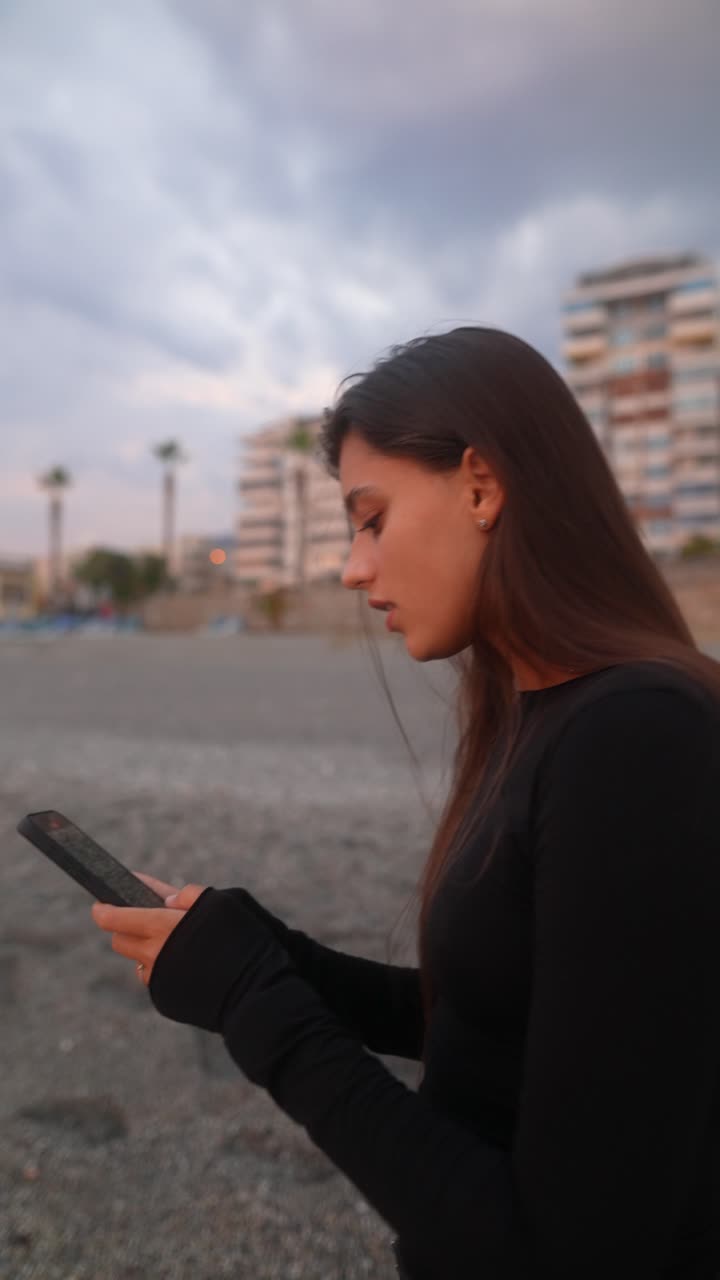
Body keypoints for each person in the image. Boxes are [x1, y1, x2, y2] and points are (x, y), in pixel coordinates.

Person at [91, 327, 720, 1278]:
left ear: (481, 484)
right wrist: (269, 955)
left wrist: (256, 1005)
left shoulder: (637, 739)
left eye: (372, 519)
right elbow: (499, 1026)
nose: (352, 568)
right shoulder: (544, 717)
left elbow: (564, 1250)